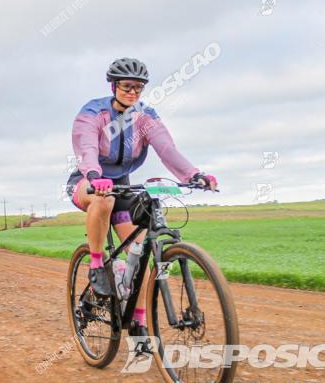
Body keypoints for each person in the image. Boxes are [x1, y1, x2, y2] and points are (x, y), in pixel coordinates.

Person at [66, 57, 217, 344]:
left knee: (144, 250)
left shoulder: (145, 117)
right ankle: (97, 265)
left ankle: (137, 320)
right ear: (113, 86)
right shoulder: (93, 113)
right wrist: (95, 173)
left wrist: (195, 174)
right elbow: (86, 147)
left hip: (121, 184)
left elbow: (167, 149)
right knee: (105, 199)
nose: (132, 93)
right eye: (126, 87)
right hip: (88, 179)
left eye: (138, 88)